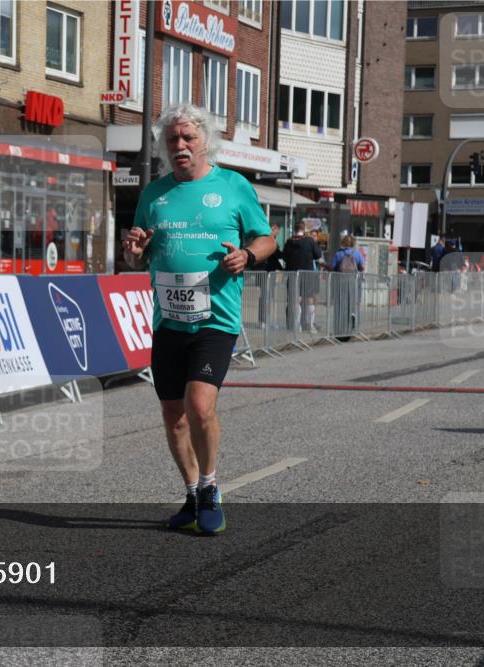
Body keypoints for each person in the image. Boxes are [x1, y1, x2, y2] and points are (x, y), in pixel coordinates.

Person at [123, 103, 276, 536]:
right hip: (168, 320)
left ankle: (210, 487)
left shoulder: (232, 185)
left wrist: (247, 255)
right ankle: (191, 493)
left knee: (200, 404)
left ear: (206, 139)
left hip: (216, 318)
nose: (181, 146)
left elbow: (265, 238)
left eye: (189, 137)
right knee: (173, 414)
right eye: (172, 139)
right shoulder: (154, 194)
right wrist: (133, 251)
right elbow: (137, 255)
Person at [282, 222, 325, 333]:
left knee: (295, 300)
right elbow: (318, 255)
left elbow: (284, 257)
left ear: (294, 229)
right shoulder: (309, 241)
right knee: (309, 299)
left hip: (292, 274)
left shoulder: (289, 242)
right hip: (307, 274)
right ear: (304, 229)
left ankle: (297, 326)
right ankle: (310, 326)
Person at [329, 235, 365, 338]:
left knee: (340, 305)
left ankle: (339, 330)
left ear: (343, 242)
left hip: (340, 282)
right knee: (352, 304)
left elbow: (332, 267)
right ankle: (352, 326)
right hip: (353, 282)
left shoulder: (339, 254)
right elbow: (362, 267)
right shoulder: (356, 254)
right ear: (352, 243)